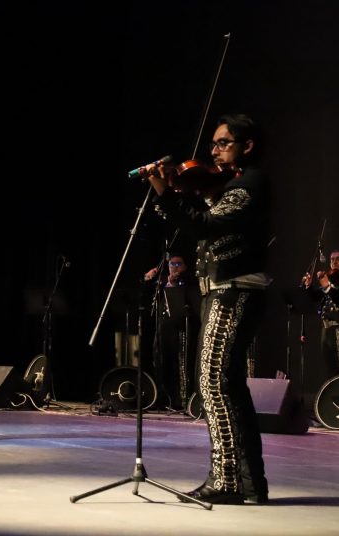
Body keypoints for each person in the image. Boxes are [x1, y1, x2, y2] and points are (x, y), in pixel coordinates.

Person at [145, 114, 270, 504]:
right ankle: (249, 483)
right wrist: (174, 190)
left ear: (247, 146)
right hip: (225, 289)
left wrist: (165, 193)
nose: (214, 151)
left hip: (234, 290)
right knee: (227, 385)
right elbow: (199, 217)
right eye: (213, 143)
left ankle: (227, 480)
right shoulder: (230, 184)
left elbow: (205, 226)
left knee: (213, 381)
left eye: (223, 143)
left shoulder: (249, 184)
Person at [144, 254, 200, 410]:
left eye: (178, 264)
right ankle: (163, 398)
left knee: (182, 365)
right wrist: (148, 278)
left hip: (184, 329)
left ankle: (182, 400)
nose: (175, 267)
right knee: (162, 362)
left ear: (185, 267)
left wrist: (174, 283)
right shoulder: (161, 282)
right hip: (164, 329)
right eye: (172, 264)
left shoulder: (190, 282)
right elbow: (147, 294)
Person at [302, 249, 339, 379]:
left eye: (338, 259)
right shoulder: (330, 279)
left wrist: (328, 287)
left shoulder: (332, 282)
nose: (334, 262)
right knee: (330, 368)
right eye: (332, 259)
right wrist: (308, 285)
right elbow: (315, 296)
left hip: (338, 327)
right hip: (326, 329)